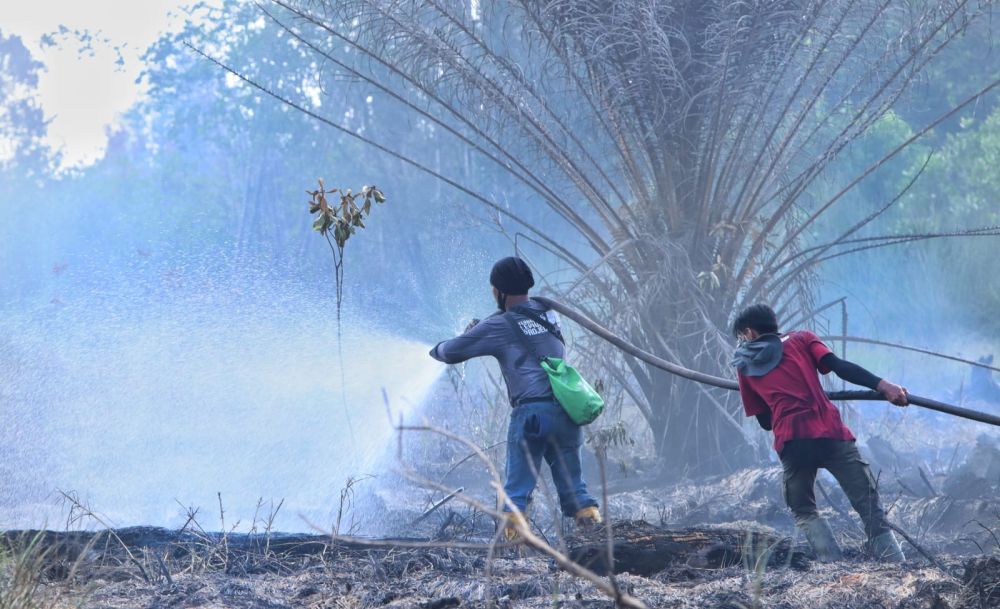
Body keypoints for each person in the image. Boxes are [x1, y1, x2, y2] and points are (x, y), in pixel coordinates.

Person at [430, 256, 601, 539]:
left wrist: (438, 346)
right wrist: (485, 326)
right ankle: (596, 538)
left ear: (499, 291)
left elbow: (451, 352)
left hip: (531, 415)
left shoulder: (498, 326)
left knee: (516, 491)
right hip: (566, 413)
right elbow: (523, 324)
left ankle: (513, 552)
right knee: (575, 488)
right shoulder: (549, 314)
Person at [731, 303, 909, 562]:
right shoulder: (803, 338)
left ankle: (832, 564)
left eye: (741, 337)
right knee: (868, 504)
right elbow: (838, 366)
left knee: (803, 509)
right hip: (830, 433)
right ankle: (896, 564)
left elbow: (766, 422)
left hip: (792, 442)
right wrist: (884, 386)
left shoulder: (744, 366)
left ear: (749, 333)